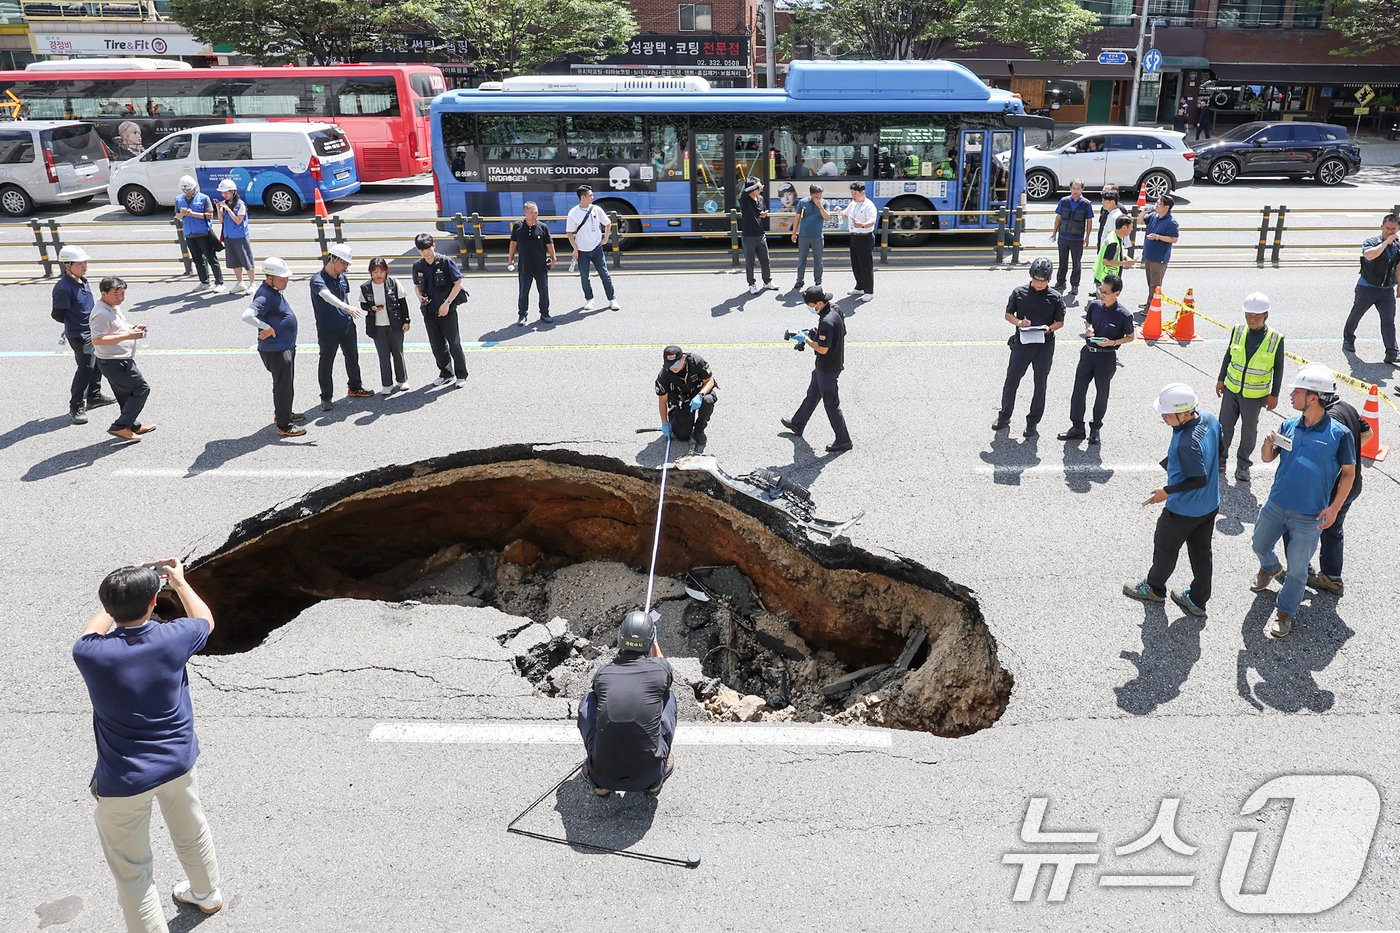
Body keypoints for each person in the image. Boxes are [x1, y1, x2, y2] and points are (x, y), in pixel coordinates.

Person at [72, 559, 224, 931]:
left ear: (108, 608)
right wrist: (180, 582)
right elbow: (206, 618)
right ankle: (206, 895)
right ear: (155, 603)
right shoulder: (175, 637)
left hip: (125, 780)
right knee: (191, 827)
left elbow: (92, 629)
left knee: (133, 871)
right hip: (177, 762)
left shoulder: (90, 654)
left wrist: (115, 601)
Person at [1251, 364, 1356, 639]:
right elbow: (1267, 458)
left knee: (1298, 570)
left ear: (1313, 397)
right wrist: (1266, 446)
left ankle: (1285, 612)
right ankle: (1270, 566)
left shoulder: (1339, 434)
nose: (1291, 395)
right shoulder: (1288, 424)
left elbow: (1348, 473)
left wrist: (1334, 508)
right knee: (1258, 544)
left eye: (1297, 391)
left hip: (1309, 516)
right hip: (1276, 504)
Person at [1123, 383, 1222, 618]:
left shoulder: (1186, 442)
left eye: (1167, 414)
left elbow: (1197, 478)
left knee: (1165, 548)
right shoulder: (1209, 418)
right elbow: (1220, 445)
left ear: (1185, 414)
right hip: (1209, 505)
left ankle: (1154, 588)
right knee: (1201, 553)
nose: (1163, 417)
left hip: (1183, 510)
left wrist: (1166, 491)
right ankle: (1198, 600)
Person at [577, 611, 676, 798]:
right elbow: (662, 662)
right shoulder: (660, 671)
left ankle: (600, 785)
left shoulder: (603, 674)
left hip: (602, 775)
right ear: (649, 639)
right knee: (668, 698)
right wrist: (654, 643)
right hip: (649, 776)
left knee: (589, 701)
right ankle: (657, 779)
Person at [1057, 273, 1135, 444]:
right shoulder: (1094, 306)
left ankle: (1096, 428)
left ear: (1117, 293)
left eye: (1106, 292)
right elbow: (1088, 322)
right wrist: (1089, 329)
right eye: (1101, 290)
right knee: (1078, 392)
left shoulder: (1124, 315)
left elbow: (1130, 336)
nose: (1102, 294)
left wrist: (1113, 342)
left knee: (1101, 394)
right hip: (1088, 353)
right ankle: (1077, 427)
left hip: (1106, 358)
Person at [992, 257, 1066, 437]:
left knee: (1040, 384)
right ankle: (1004, 415)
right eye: (1036, 279)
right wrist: (1019, 322)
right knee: (1011, 380)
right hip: (1022, 344)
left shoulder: (1055, 298)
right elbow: (1008, 315)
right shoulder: (1019, 292)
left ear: (1048, 280)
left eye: (1043, 281)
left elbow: (1060, 322)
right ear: (1031, 276)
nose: (1039, 284)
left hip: (1044, 346)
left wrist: (1049, 328)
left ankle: (1032, 422)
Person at [1216, 292, 1285, 482]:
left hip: (1255, 395)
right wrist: (1221, 379)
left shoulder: (1275, 339)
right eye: (1248, 315)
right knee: (1224, 427)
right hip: (1232, 388)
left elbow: (1279, 368)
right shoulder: (1238, 330)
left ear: (1266, 315)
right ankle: (1220, 460)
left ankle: (1243, 465)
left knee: (1249, 431)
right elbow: (1228, 356)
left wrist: (1274, 394)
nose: (1252, 319)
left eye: (1257, 315)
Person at [781, 287, 852, 453]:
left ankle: (843, 440)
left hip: (827, 368)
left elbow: (822, 349)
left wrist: (805, 339)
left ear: (819, 303)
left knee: (831, 404)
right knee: (813, 393)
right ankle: (798, 423)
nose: (810, 307)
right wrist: (814, 333)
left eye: (811, 305)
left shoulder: (827, 321)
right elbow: (841, 332)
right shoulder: (835, 309)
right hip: (828, 365)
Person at [52, 245, 116, 425]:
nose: (85, 265)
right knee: (86, 367)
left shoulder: (82, 280)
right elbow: (57, 314)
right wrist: (71, 324)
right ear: (67, 264)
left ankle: (94, 396)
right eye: (80, 263)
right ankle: (76, 405)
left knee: (97, 363)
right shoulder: (63, 288)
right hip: (79, 334)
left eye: (85, 262)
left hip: (92, 330)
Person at [242, 257, 305, 437]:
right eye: (282, 278)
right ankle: (284, 426)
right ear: (270, 278)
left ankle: (284, 414)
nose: (286, 281)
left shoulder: (273, 290)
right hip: (277, 350)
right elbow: (247, 315)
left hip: (284, 346)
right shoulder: (264, 294)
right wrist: (266, 328)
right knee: (283, 387)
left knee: (287, 385)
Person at [88, 276, 154, 442]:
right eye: (116, 294)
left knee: (125, 394)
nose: (121, 297)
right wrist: (128, 335)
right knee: (142, 389)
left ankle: (132, 425)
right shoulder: (101, 313)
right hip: (114, 361)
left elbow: (118, 326)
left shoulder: (112, 306)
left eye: (123, 293)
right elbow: (97, 339)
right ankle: (120, 426)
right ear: (104, 293)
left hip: (117, 360)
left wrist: (133, 328)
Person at [309, 243, 370, 412]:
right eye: (344, 263)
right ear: (333, 259)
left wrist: (348, 311)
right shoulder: (317, 280)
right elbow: (327, 296)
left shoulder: (343, 277)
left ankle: (355, 387)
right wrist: (346, 308)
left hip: (346, 324)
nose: (346, 267)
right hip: (327, 329)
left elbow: (345, 296)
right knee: (327, 362)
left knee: (352, 356)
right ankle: (326, 397)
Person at [411, 233, 469, 388]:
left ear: (434, 246)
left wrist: (447, 303)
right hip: (429, 311)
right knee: (436, 344)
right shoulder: (417, 266)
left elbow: (458, 283)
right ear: (418, 250)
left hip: (447, 309)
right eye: (422, 250)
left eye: (428, 248)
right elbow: (417, 286)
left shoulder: (445, 262)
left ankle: (461, 374)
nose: (426, 252)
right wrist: (419, 297)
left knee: (454, 343)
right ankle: (445, 373)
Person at [1341, 212, 1400, 365]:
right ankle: (1348, 339)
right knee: (1356, 315)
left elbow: (1398, 266)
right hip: (1367, 287)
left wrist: (1399, 285)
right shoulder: (1372, 241)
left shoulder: (1397, 245)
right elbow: (1369, 256)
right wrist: (1386, 242)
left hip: (1386, 289)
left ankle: (1392, 352)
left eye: (1394, 229)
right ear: (1382, 227)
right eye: (1388, 228)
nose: (1390, 232)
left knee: (1388, 321)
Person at [359, 257, 411, 395]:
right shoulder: (365, 287)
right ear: (370, 272)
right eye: (375, 272)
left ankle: (402, 380)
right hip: (377, 327)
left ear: (386, 271)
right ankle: (386, 384)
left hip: (395, 325)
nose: (378, 274)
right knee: (383, 356)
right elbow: (363, 304)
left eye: (381, 271)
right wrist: (372, 308)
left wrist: (406, 321)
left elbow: (403, 303)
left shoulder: (394, 283)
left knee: (398, 353)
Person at [565, 184, 619, 312]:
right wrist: (575, 248)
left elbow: (607, 223)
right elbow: (569, 233)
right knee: (584, 277)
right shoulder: (573, 213)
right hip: (582, 251)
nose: (593, 197)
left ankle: (612, 299)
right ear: (583, 197)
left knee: (605, 274)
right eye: (590, 195)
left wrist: (605, 238)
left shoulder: (597, 209)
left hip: (596, 248)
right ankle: (589, 299)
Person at [656, 345, 717, 451]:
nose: (673, 367)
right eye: (670, 365)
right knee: (682, 436)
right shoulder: (664, 375)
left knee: (708, 400)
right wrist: (664, 422)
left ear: (683, 358)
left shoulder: (696, 361)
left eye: (676, 364)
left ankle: (699, 429)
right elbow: (662, 401)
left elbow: (710, 381)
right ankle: (674, 416)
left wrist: (700, 395)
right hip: (682, 400)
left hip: (699, 393)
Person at [506, 201, 557, 324]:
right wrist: (510, 260)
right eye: (531, 212)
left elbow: (549, 243)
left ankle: (544, 313)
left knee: (543, 291)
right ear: (525, 213)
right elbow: (513, 243)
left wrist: (554, 258)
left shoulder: (543, 227)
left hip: (541, 265)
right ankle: (522, 315)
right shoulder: (518, 226)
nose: (534, 215)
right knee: (523, 291)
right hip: (524, 266)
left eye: (536, 212)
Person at [174, 176, 223, 295]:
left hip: (203, 232)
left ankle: (219, 282)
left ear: (194, 187)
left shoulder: (204, 198)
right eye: (184, 190)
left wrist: (193, 214)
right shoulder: (179, 199)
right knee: (197, 260)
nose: (186, 192)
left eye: (189, 189)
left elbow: (210, 215)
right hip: (189, 233)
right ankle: (205, 282)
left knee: (211, 258)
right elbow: (177, 216)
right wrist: (182, 214)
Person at [1052, 179, 1094, 306]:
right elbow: (1058, 217)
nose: (1075, 191)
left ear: (1082, 190)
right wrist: (1054, 232)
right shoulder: (1064, 201)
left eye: (1078, 188)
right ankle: (1060, 282)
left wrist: (1087, 237)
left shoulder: (1086, 203)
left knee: (1077, 262)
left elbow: (1089, 221)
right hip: (1063, 237)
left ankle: (1074, 285)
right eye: (1073, 188)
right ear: (1070, 188)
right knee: (1062, 260)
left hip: (1077, 238)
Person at [214, 179, 253, 295]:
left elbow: (237, 221)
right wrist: (218, 207)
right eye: (222, 193)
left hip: (240, 236)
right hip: (228, 236)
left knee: (246, 260)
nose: (223, 195)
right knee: (235, 261)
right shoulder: (225, 204)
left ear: (233, 192)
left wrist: (227, 209)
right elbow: (221, 221)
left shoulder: (240, 205)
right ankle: (240, 282)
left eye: (226, 192)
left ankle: (252, 283)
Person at [1140, 194, 1179, 308]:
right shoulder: (1153, 216)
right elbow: (1140, 221)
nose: (1156, 206)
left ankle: (1151, 306)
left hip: (1159, 258)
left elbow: (1174, 239)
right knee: (1150, 282)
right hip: (1149, 255)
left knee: (1155, 284)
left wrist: (1158, 237)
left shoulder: (1171, 222)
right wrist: (1144, 212)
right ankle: (1150, 302)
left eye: (1159, 204)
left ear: (1166, 207)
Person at [791, 183, 831, 292]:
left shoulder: (825, 203)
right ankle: (799, 280)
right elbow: (797, 218)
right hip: (803, 236)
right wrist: (794, 233)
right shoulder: (803, 202)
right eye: (816, 196)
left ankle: (818, 282)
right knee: (801, 259)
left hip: (817, 236)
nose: (819, 198)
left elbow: (827, 217)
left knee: (818, 260)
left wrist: (820, 206)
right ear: (811, 194)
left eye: (820, 195)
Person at [842, 181, 877, 301]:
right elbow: (845, 214)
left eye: (855, 193)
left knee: (866, 265)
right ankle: (859, 286)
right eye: (852, 193)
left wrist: (862, 225)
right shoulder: (853, 203)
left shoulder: (869, 205)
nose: (853, 196)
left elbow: (872, 221)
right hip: (854, 236)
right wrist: (840, 212)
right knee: (855, 263)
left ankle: (869, 291)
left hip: (865, 237)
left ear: (863, 192)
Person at [738, 177, 773, 294]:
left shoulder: (761, 198)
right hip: (748, 236)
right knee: (750, 262)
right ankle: (751, 284)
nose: (760, 189)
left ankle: (767, 282)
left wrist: (764, 214)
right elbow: (744, 192)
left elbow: (764, 210)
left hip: (760, 234)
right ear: (752, 189)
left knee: (765, 260)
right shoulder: (744, 199)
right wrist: (757, 185)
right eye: (758, 187)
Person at [1094, 215, 1137, 290]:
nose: (1132, 229)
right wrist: (1125, 263)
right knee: (1106, 300)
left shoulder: (1113, 235)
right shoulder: (1113, 243)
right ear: (1124, 227)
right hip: (1106, 279)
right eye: (1131, 227)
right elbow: (1106, 261)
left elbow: (1116, 253)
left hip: (1106, 277)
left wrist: (1126, 257)